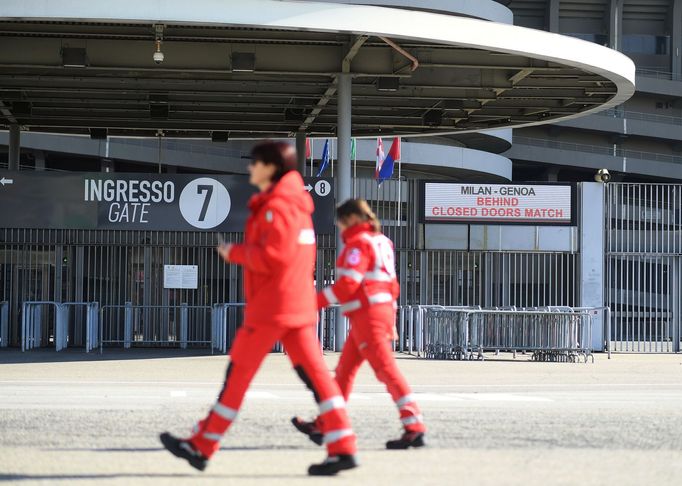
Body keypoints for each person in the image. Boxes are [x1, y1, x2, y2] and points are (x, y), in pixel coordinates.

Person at [160, 141, 358, 476]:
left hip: (271, 307)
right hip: (295, 305)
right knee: (319, 380)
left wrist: (235, 253)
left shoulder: (276, 206)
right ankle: (343, 446)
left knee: (236, 377)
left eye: (255, 163)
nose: (251, 169)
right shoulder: (297, 204)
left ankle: (203, 444)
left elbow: (274, 256)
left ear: (271, 167)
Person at [292, 199, 426, 450]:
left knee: (386, 370)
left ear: (352, 218)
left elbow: (347, 285)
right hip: (376, 314)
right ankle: (325, 424)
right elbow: (392, 286)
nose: (340, 228)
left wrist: (311, 304)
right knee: (344, 373)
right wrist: (392, 320)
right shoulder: (383, 242)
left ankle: (414, 425)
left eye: (341, 222)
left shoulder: (359, 243)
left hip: (368, 316)